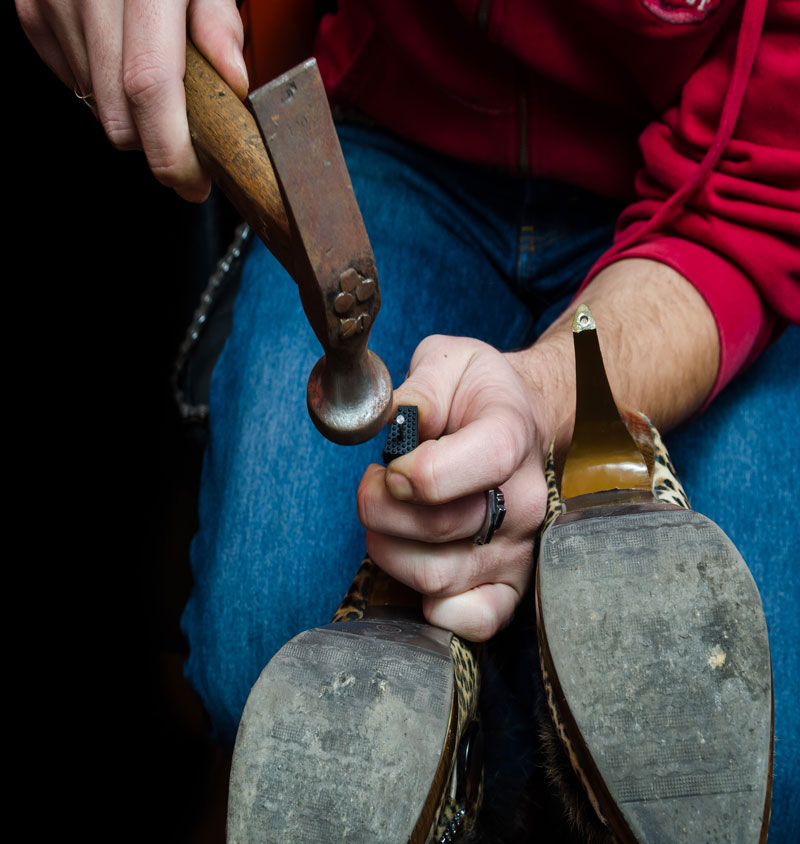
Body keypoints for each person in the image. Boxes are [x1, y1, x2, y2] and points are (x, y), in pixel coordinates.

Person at [16, 0, 799, 839]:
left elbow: (757, 193)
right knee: (270, 671)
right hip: (393, 137)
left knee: (746, 754)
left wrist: (541, 397)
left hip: (708, 203)